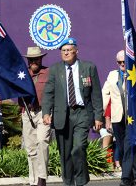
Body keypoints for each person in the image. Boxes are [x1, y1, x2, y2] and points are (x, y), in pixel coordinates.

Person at [42, 38, 103, 186]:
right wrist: (46, 112)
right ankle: (68, 182)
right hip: (63, 115)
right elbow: (48, 93)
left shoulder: (88, 68)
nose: (66, 53)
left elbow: (96, 94)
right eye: (63, 51)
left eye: (69, 50)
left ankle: (81, 181)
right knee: (65, 152)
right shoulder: (55, 69)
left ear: (76, 51)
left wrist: (98, 116)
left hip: (82, 113)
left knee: (78, 147)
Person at [101, 51, 136, 186]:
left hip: (131, 118)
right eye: (120, 62)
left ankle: (125, 178)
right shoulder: (112, 75)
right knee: (122, 147)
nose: (123, 64)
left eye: (125, 61)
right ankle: (129, 176)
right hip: (117, 118)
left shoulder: (135, 72)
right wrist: (100, 113)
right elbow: (105, 93)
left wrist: (134, 75)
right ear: (117, 63)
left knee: (129, 145)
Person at [21, 46, 50, 186]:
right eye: (31, 59)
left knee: (42, 141)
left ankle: (42, 179)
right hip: (27, 113)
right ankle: (33, 181)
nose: (34, 61)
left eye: (36, 59)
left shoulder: (48, 73)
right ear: (28, 60)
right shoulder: (21, 75)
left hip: (43, 113)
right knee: (31, 148)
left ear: (41, 59)